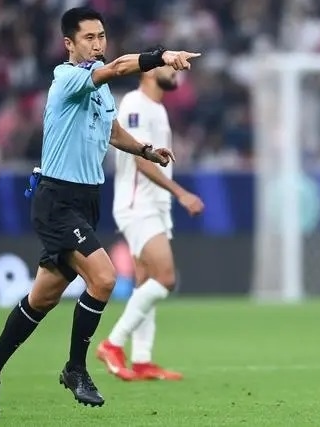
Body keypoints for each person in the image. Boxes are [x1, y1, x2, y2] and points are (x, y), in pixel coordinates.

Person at [0, 6, 200, 418]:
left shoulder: (100, 89)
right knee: (105, 278)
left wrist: (146, 150)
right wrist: (161, 55)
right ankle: (76, 368)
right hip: (57, 199)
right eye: (89, 37)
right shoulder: (68, 78)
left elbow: (112, 131)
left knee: (42, 298)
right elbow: (120, 67)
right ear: (69, 44)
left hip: (86, 200)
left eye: (101, 36)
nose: (97, 44)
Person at [96, 64, 204, 381]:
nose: (176, 71)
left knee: (146, 283)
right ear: (148, 72)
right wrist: (181, 193)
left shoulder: (157, 109)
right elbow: (141, 161)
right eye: (168, 66)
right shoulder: (134, 104)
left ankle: (142, 360)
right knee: (165, 278)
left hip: (153, 205)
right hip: (138, 204)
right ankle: (113, 343)